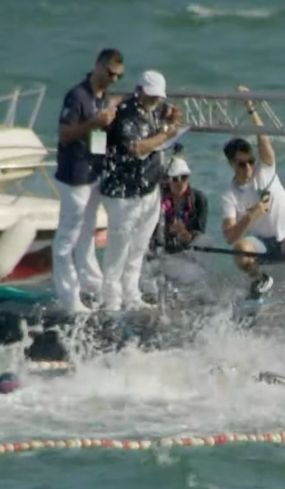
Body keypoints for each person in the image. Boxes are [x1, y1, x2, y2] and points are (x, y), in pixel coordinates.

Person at [100, 70, 183, 311]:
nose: (156, 101)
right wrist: (166, 134)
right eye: (151, 96)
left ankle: (131, 293)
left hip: (149, 187)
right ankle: (111, 299)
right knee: (119, 246)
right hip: (124, 192)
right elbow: (138, 147)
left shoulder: (156, 109)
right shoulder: (126, 116)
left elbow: (170, 116)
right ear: (139, 91)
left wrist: (173, 120)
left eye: (158, 97)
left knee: (139, 245)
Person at [51, 48, 125, 313]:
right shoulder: (78, 95)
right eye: (110, 73)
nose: (114, 79)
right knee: (67, 239)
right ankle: (69, 297)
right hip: (74, 176)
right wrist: (94, 122)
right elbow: (64, 134)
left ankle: (92, 286)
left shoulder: (102, 97)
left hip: (94, 172)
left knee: (88, 232)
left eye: (118, 76)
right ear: (98, 66)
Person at [220, 86, 285, 303]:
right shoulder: (228, 195)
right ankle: (259, 279)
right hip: (260, 245)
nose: (248, 168)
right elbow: (230, 237)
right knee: (240, 250)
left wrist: (250, 108)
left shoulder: (266, 170)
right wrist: (251, 215)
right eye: (242, 164)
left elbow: (263, 138)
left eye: (251, 161)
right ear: (232, 164)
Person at [141, 156, 210, 301]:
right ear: (168, 180)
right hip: (160, 250)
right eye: (175, 179)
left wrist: (185, 234)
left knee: (206, 241)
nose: (179, 183)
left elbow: (199, 231)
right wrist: (167, 232)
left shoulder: (199, 199)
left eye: (183, 178)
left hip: (185, 249)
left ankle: (192, 282)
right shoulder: (158, 198)